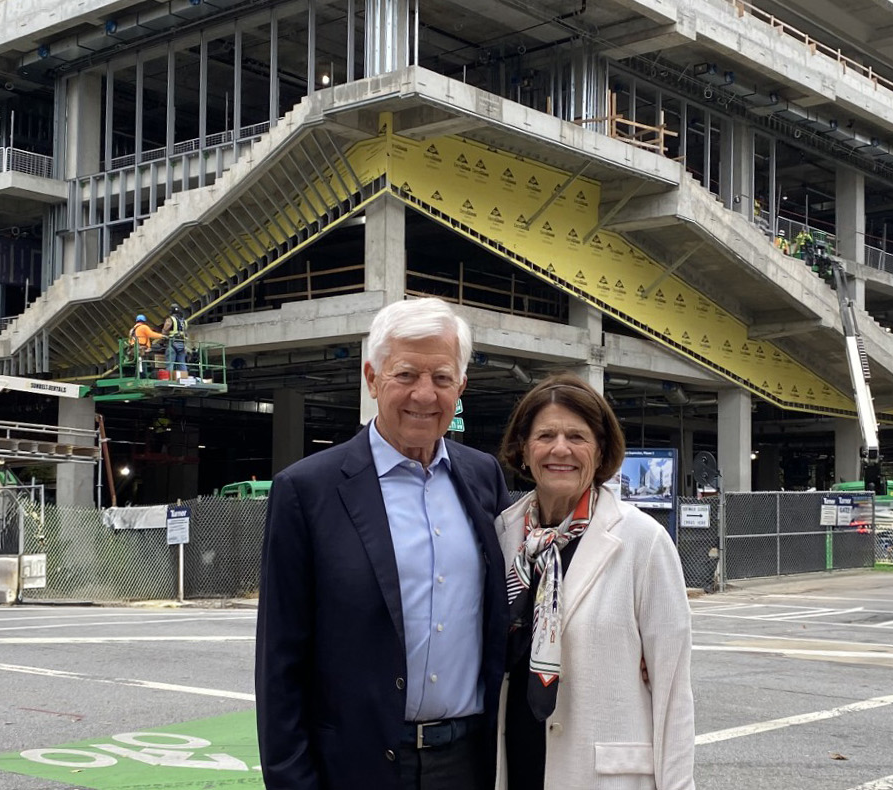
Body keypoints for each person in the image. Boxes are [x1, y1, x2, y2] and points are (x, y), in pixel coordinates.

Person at [255, 297, 512, 790]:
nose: (424, 394)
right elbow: (279, 663)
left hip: (470, 764)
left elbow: (513, 607)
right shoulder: (307, 491)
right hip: (355, 766)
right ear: (372, 379)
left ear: (461, 387)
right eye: (406, 375)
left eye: (441, 378)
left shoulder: (482, 477)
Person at [495, 372, 695, 789]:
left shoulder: (642, 541)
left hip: (601, 774)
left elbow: (673, 690)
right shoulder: (505, 534)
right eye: (545, 435)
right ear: (524, 449)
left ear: (601, 450)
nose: (560, 449)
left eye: (577, 436)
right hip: (518, 763)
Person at [162, 303, 189, 378]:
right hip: (182, 344)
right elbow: (185, 333)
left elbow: (164, 330)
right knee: (182, 363)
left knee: (170, 363)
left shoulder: (170, 319)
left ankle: (169, 379)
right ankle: (184, 378)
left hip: (172, 343)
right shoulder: (184, 321)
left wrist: (164, 334)